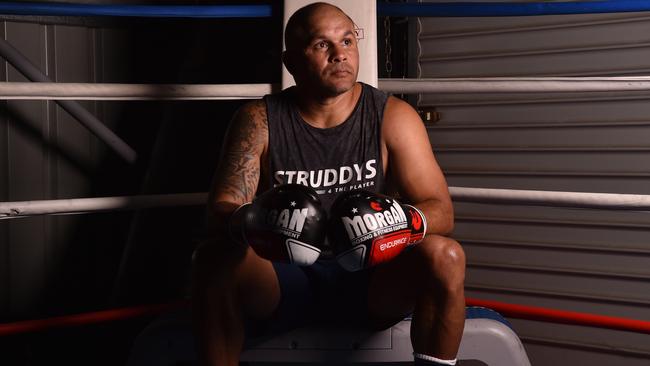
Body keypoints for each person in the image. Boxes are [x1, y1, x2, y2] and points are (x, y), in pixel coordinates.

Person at [190, 2, 466, 366]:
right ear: (291, 63)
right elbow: (220, 213)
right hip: (285, 281)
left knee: (446, 256)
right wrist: (260, 220)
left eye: (348, 41)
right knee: (212, 259)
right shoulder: (259, 119)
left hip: (370, 282)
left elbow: (441, 211)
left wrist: (393, 222)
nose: (340, 54)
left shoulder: (392, 116)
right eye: (322, 44)